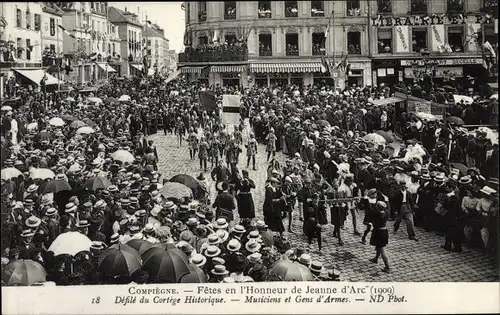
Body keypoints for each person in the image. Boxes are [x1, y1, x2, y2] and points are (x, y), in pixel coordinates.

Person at [369, 201, 390, 273]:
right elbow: (388, 207)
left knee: (382, 251)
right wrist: (387, 200)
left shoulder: (377, 215)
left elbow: (371, 209)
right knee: (378, 246)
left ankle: (387, 267)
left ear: (378, 208)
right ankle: (375, 259)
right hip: (384, 231)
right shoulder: (386, 213)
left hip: (379, 233)